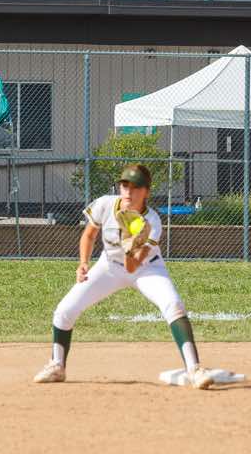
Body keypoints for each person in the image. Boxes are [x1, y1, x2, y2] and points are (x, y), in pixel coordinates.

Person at [33, 164, 223, 389]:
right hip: (108, 267)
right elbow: (89, 235)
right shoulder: (105, 204)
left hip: (147, 269)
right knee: (65, 310)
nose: (128, 192)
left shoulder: (152, 222)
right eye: (125, 186)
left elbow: (132, 267)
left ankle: (194, 369)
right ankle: (57, 366)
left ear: (147, 192)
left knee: (174, 305)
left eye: (136, 187)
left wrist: (129, 240)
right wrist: (83, 263)